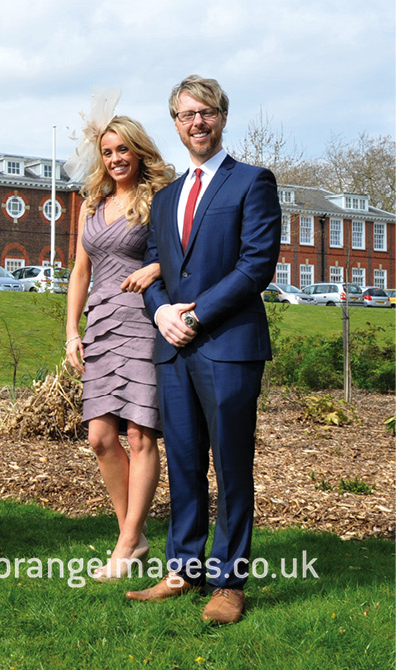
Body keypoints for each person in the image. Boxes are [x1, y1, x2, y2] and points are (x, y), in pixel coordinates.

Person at [126, 76, 281, 624]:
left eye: (207, 112)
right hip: (173, 347)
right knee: (185, 462)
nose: (198, 122)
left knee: (232, 465)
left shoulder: (252, 183)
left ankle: (229, 583)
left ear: (221, 117)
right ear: (174, 122)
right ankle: (182, 568)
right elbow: (154, 266)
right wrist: (163, 311)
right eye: (187, 114)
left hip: (228, 345)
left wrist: (196, 313)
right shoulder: (165, 198)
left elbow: (255, 265)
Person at [63, 106, 175, 581]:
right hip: (101, 324)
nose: (114, 158)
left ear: (138, 149)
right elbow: (79, 272)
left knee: (140, 434)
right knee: (100, 437)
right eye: (107, 152)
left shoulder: (159, 199)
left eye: (122, 148)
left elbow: (184, 255)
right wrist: (72, 332)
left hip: (144, 321)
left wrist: (157, 269)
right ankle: (137, 533)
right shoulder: (91, 204)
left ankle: (128, 542)